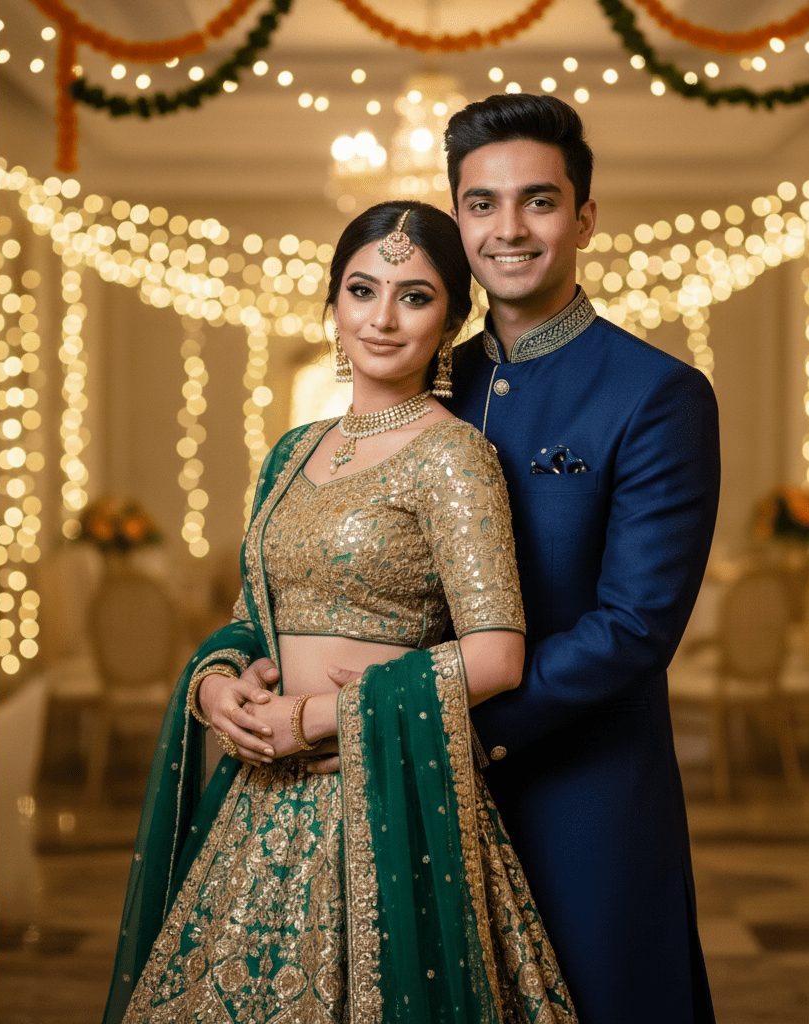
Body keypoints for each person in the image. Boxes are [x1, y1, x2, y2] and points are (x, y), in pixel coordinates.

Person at [103, 201, 579, 1023]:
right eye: (362, 290)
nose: (383, 318)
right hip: (255, 791)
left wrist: (320, 716)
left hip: (383, 790)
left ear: (453, 319)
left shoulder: (455, 456)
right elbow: (252, 616)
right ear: (333, 306)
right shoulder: (292, 451)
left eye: (416, 296)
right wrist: (216, 686)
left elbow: (498, 656)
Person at [441, 94, 720, 1023]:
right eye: (481, 203)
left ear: (584, 217)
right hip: (424, 800)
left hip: (586, 798)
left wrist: (452, 729)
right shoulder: (430, 380)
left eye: (539, 201)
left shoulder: (658, 393)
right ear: (457, 218)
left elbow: (636, 625)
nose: (508, 228)